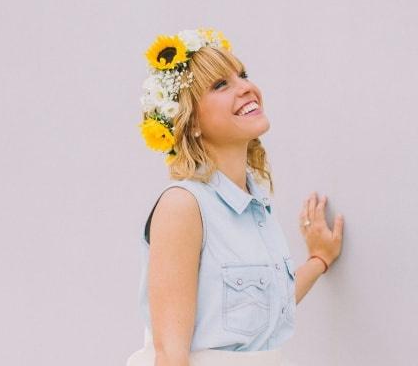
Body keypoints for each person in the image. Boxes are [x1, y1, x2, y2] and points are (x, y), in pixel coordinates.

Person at [127, 29, 345, 366]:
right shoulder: (183, 206)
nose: (246, 87)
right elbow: (170, 354)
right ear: (191, 122)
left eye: (241, 75)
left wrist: (319, 260)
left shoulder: (255, 207)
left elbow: (265, 310)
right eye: (219, 85)